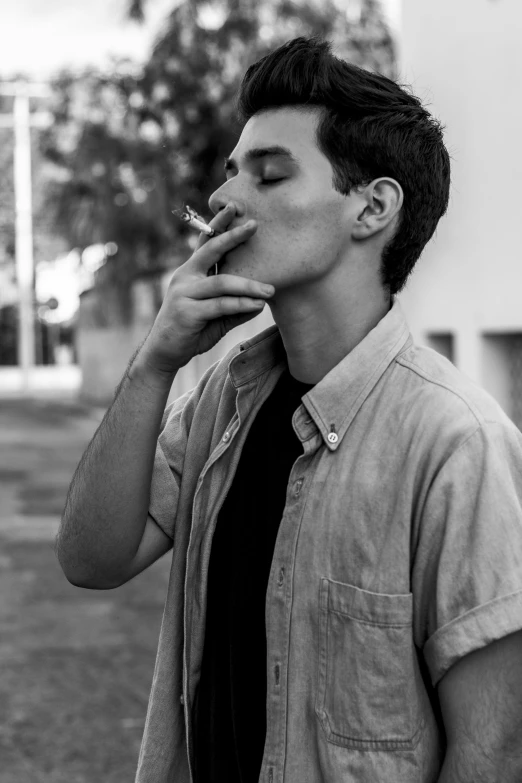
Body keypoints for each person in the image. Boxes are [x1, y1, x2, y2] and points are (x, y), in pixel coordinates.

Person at [55, 36, 522, 783]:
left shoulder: (456, 440)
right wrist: (154, 362)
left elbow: (493, 750)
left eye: (269, 174)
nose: (221, 199)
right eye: (231, 171)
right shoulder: (224, 394)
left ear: (372, 207)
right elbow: (92, 558)